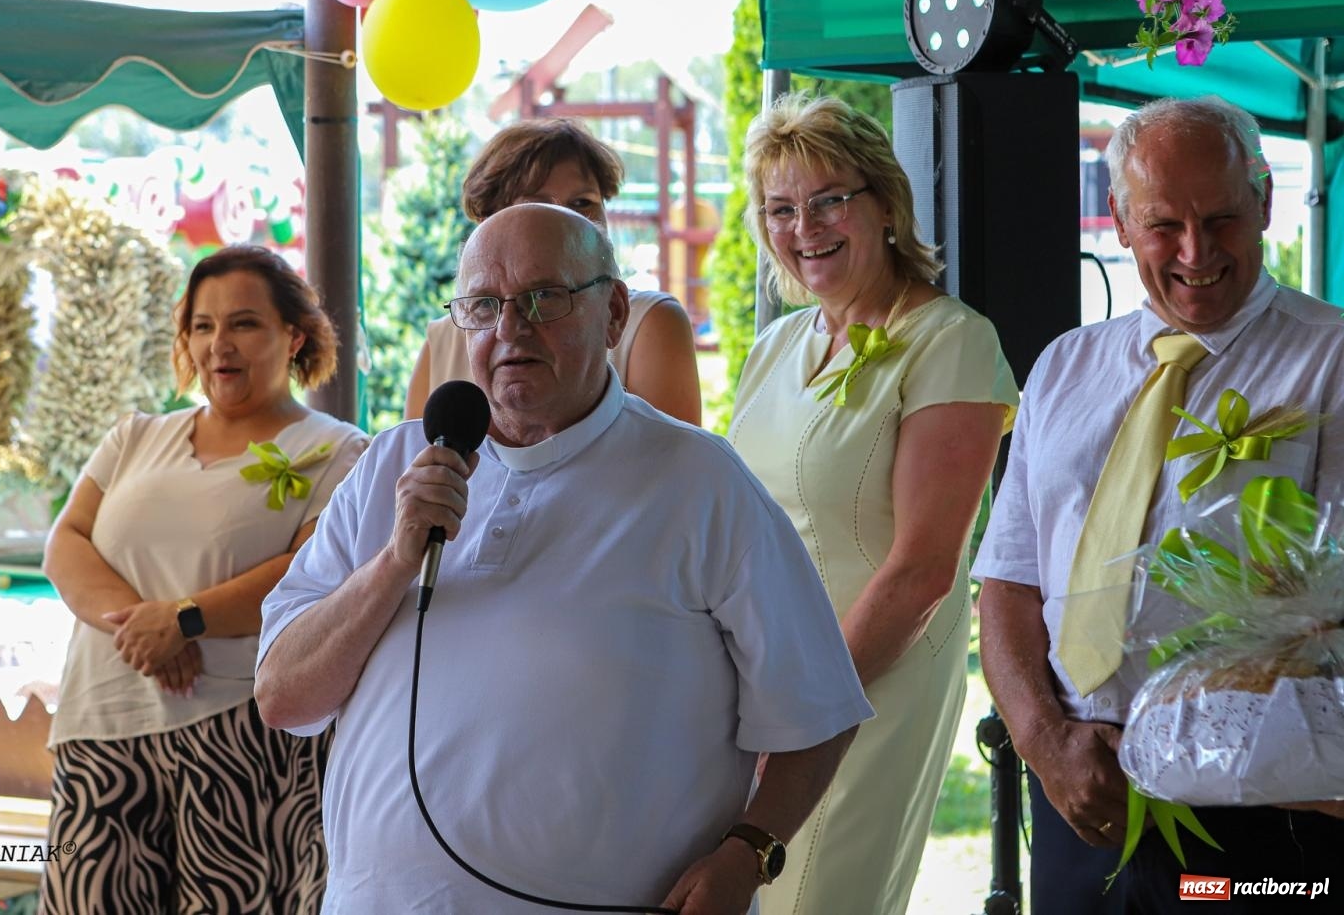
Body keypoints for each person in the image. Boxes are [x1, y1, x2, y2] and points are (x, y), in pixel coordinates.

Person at [257, 203, 873, 914]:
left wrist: (748, 853)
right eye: (483, 306)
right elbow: (282, 695)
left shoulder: (700, 482)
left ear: (613, 313)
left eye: (543, 298)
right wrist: (394, 561)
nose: (510, 330)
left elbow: (819, 710)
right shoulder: (392, 466)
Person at [974, 97, 1344, 913]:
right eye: (1163, 225)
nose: (1195, 252)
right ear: (1118, 220)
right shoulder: (1063, 369)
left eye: (1221, 219)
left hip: (1264, 811)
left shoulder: (1332, 357)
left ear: (1265, 203)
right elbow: (1008, 583)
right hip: (1078, 796)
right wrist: (1045, 743)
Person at [726, 92, 1018, 915]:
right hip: (761, 686)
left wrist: (803, 712)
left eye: (828, 201)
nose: (804, 227)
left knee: (817, 897)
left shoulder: (952, 341)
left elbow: (924, 571)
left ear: (885, 203)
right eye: (781, 209)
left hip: (866, 685)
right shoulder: (776, 345)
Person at [40, 245, 368, 915]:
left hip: (240, 736)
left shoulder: (339, 451)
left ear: (294, 335)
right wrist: (147, 627)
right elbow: (65, 545)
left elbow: (310, 573)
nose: (220, 344)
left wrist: (186, 619)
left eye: (244, 323)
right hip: (101, 724)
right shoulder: (134, 436)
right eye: (202, 325)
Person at [403, 117, 703, 426]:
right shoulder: (442, 342)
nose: (570, 219)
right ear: (487, 224)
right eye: (540, 206)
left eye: (583, 203)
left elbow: (669, 452)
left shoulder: (649, 323)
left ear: (616, 311)